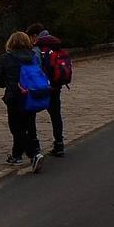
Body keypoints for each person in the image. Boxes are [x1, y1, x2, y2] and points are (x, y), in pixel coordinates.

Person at [0, 31, 44, 173]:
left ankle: (33, 154)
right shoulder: (33, 56)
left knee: (16, 128)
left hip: (15, 96)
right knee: (27, 125)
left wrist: (8, 83)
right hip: (32, 95)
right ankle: (16, 155)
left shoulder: (6, 58)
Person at [35, 29, 66, 157]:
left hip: (43, 87)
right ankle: (59, 143)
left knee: (30, 114)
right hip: (56, 86)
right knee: (56, 115)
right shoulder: (55, 46)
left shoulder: (38, 49)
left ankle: (34, 147)